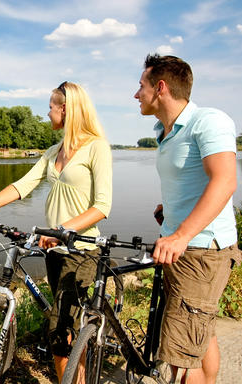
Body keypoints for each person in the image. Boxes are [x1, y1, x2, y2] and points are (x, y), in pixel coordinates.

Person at [0, 82, 112, 382]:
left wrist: (61, 231)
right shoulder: (54, 151)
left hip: (81, 250)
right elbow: (22, 186)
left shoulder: (97, 146)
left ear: (65, 109)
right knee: (64, 327)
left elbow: (102, 207)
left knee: (58, 328)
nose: (48, 113)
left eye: (51, 107)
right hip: (54, 251)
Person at [134, 54, 241, 383]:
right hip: (184, 248)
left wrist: (181, 234)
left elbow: (224, 180)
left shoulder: (208, 121)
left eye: (142, 86)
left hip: (199, 251)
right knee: (200, 334)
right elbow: (193, 181)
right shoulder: (164, 131)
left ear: (160, 88)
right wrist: (170, 210)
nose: (136, 94)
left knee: (180, 354)